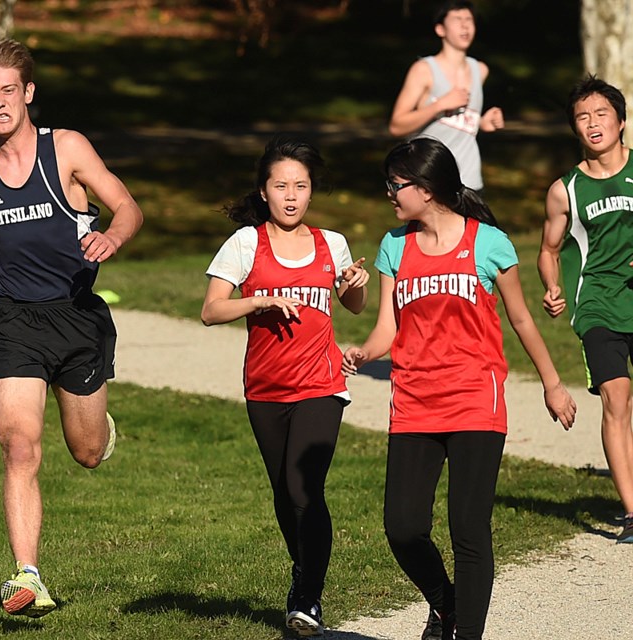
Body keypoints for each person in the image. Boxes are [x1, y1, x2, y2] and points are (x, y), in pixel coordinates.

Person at [0, 39, 143, 619]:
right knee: (18, 446)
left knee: (87, 452)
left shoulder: (67, 148)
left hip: (76, 316)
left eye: (7, 91)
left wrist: (112, 238)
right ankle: (27, 575)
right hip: (14, 319)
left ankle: (98, 424)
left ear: (27, 93)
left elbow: (127, 206)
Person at [342, 137, 575, 640]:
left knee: (468, 530)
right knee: (402, 528)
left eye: (395, 185)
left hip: (476, 399)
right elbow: (387, 327)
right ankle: (446, 602)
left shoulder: (488, 243)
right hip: (414, 401)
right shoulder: (393, 246)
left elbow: (520, 319)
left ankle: (466, 632)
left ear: (425, 189)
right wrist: (364, 351)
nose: (389, 194)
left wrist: (553, 384)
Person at [201, 136, 370, 637]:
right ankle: (304, 571)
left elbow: (354, 306)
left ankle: (308, 597)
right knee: (284, 494)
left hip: (321, 383)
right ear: (264, 190)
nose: (291, 195)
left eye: (300, 185)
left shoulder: (331, 243)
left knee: (304, 487)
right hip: (265, 388)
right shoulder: (246, 243)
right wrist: (258, 302)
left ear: (311, 191)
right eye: (281, 186)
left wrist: (353, 287)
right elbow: (211, 311)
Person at [538, 75, 633, 544]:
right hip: (597, 305)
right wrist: (553, 287)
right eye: (582, 117)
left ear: (620, 121)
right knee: (617, 400)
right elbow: (548, 249)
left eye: (601, 114)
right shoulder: (565, 190)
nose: (593, 124)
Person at [388, 0, 504, 192]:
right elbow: (396, 126)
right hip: (429, 181)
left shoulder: (480, 70)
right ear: (440, 29)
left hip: (469, 181)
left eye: (469, 19)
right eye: (457, 19)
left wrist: (483, 123)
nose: (465, 25)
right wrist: (439, 105)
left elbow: (462, 123)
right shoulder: (424, 70)